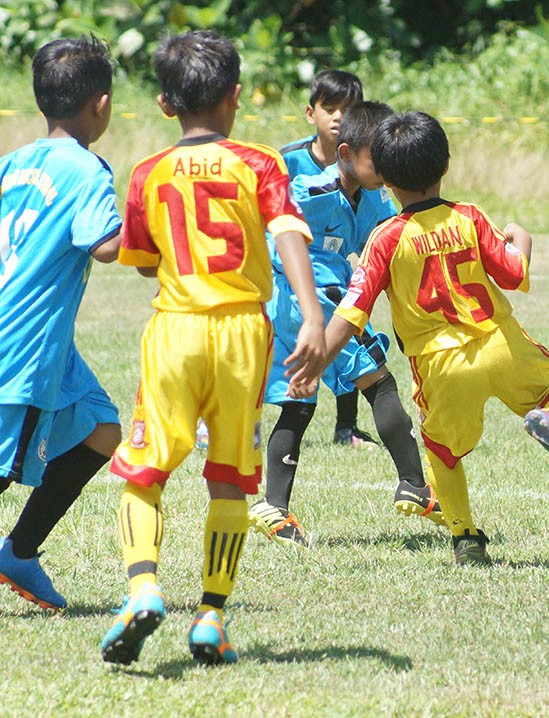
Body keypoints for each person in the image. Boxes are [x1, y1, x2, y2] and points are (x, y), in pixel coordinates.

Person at [100, 30, 325, 667]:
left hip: (174, 330)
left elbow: (143, 261)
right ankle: (210, 617)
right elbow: (287, 233)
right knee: (229, 480)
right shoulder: (260, 163)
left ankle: (143, 586)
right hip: (243, 336)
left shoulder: (148, 172)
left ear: (166, 105)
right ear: (234, 96)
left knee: (143, 472)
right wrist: (310, 314)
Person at [294, 111, 549, 566]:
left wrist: (316, 362)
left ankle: (466, 537)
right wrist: (521, 237)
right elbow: (514, 273)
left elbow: (351, 314)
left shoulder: (385, 238)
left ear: (386, 178)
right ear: (446, 165)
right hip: (500, 343)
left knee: (441, 452)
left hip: (441, 367)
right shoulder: (470, 218)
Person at [250, 100, 444, 548]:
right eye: (378, 162)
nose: (386, 171)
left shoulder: (373, 197)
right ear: (345, 155)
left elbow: (393, 236)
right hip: (308, 306)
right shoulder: (310, 193)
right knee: (379, 382)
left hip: (324, 302)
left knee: (300, 402)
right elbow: (268, 217)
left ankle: (274, 508)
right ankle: (414, 484)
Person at [0, 37, 122, 611]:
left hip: (51, 345)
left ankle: (18, 553)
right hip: (24, 345)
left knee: (102, 430)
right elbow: (104, 247)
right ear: (100, 104)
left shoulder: (15, 162)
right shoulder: (88, 170)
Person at [279, 69, 373, 448]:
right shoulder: (290, 161)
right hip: (288, 273)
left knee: (349, 326)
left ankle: (346, 427)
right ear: (310, 113)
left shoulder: (366, 163)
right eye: (329, 108)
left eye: (347, 110)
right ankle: (236, 419)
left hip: (337, 270)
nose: (337, 118)